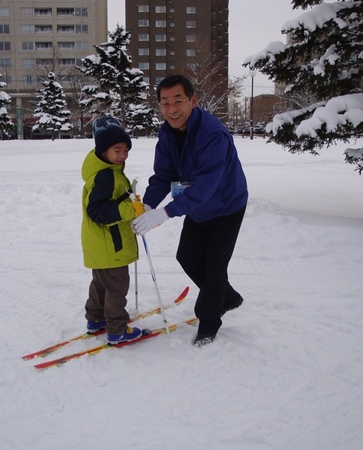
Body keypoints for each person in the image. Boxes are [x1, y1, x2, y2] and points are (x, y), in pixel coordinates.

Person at [132, 75, 249, 347]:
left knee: (215, 265)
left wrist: (163, 214)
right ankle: (227, 298)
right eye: (165, 103)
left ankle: (209, 322)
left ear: (193, 100)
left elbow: (205, 186)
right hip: (198, 206)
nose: (172, 109)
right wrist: (148, 205)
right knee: (187, 256)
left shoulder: (213, 134)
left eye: (178, 101)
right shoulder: (168, 133)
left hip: (226, 206)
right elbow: (164, 175)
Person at [81, 116, 145, 344]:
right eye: (117, 150)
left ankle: (96, 319)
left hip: (100, 245)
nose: (123, 155)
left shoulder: (105, 172)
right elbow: (97, 211)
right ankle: (117, 329)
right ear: (103, 150)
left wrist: (128, 202)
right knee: (117, 286)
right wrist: (130, 209)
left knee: (101, 284)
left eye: (126, 150)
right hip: (111, 244)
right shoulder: (106, 176)